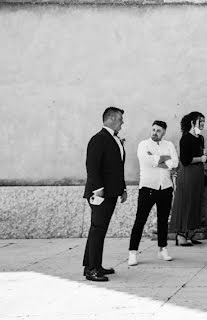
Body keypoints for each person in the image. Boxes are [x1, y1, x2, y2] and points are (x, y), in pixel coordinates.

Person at [82, 106, 127, 282]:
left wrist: (122, 188)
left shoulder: (114, 139)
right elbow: (92, 166)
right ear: (111, 119)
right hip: (100, 193)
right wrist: (98, 189)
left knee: (99, 230)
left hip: (111, 192)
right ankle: (92, 269)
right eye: (120, 119)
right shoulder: (99, 139)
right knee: (97, 230)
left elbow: (117, 168)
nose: (123, 122)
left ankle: (94, 264)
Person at [128, 120, 179, 266]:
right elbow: (146, 160)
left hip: (166, 187)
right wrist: (165, 161)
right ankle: (132, 252)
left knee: (163, 220)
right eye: (153, 129)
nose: (155, 132)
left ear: (163, 132)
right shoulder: (143, 145)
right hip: (148, 188)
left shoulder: (169, 145)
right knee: (140, 220)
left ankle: (162, 249)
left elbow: (175, 163)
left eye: (158, 130)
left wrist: (156, 159)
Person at [171, 111, 207, 246]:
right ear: (193, 122)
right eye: (200, 121)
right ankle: (180, 235)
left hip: (198, 172)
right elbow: (185, 160)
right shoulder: (185, 138)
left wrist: (203, 156)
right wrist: (201, 158)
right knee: (186, 201)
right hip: (188, 173)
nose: (203, 124)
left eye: (203, 121)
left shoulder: (200, 138)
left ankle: (189, 233)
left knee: (195, 201)